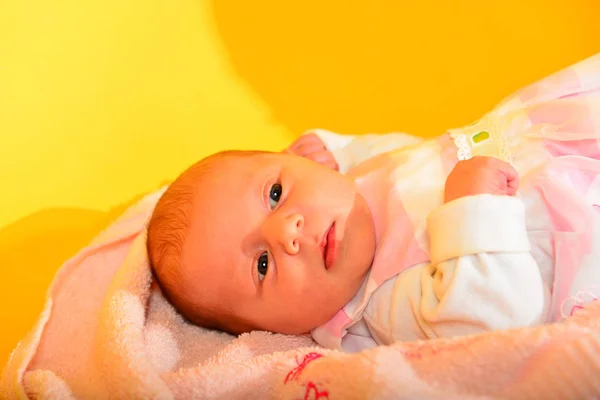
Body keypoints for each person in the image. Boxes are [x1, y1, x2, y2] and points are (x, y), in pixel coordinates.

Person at [147, 53, 600, 352]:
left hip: (558, 133)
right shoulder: (384, 303)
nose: (287, 230)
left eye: (275, 194)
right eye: (262, 266)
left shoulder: (349, 187)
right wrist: (475, 208)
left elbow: (393, 157)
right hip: (578, 214)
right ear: (273, 330)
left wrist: (328, 151)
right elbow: (499, 324)